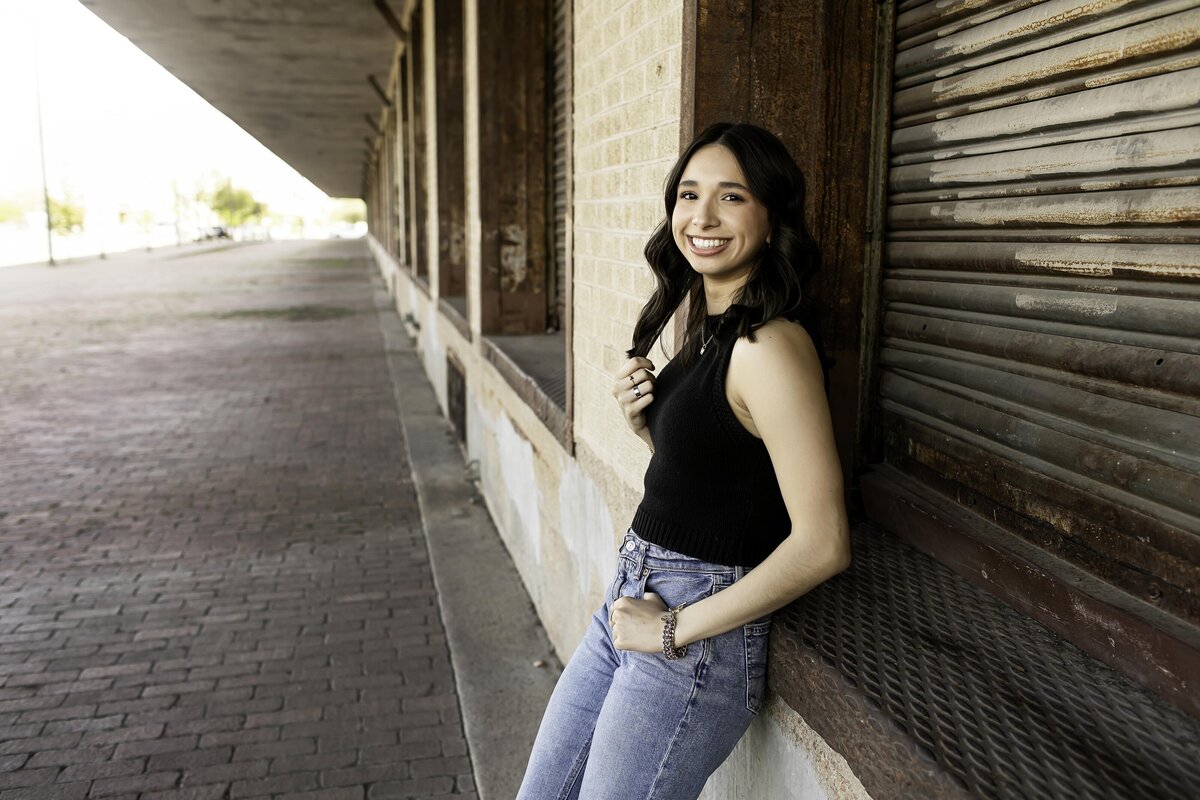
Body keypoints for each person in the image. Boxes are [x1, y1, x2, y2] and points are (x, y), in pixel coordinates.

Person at [516, 122, 851, 800]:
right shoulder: (712, 329)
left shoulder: (771, 347)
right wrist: (648, 428)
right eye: (689, 194)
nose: (701, 217)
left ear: (772, 213)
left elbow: (822, 544)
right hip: (631, 596)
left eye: (732, 197)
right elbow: (733, 480)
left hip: (693, 637)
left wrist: (671, 629)